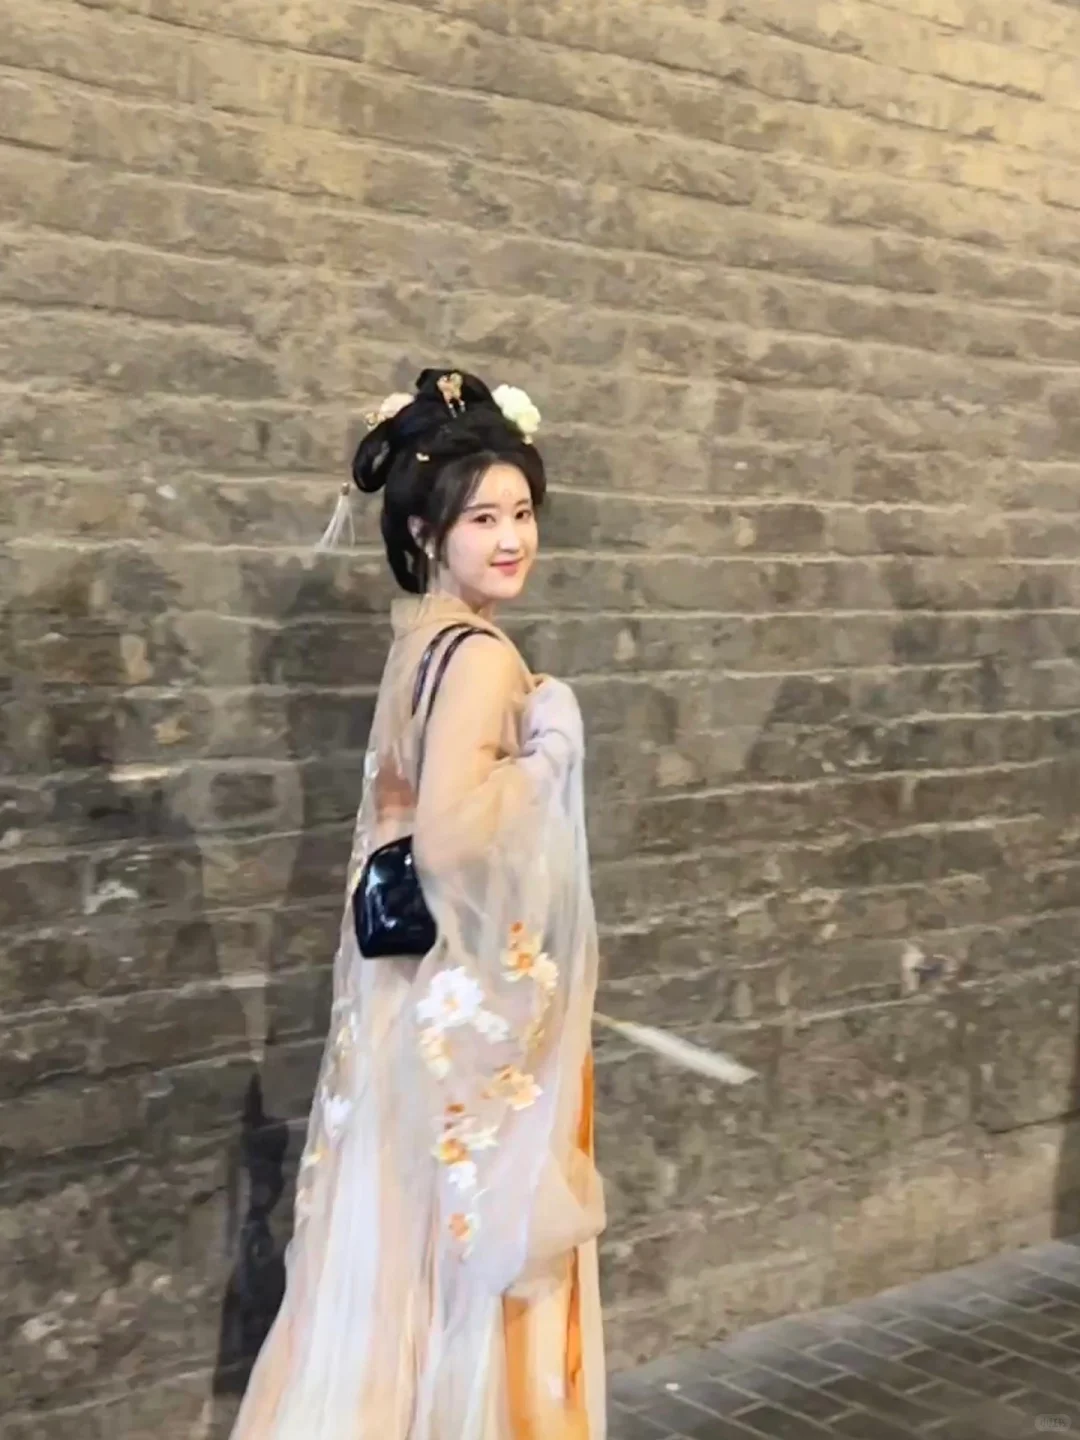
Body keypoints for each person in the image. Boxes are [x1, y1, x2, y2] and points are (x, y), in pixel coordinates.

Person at [229, 369, 605, 1439]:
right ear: (426, 532)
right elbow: (448, 839)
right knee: (464, 1272)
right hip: (454, 1016)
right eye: (482, 518)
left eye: (521, 512)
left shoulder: (420, 644)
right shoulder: (480, 659)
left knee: (389, 1268)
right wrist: (551, 752)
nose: (511, 538)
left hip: (400, 1002)